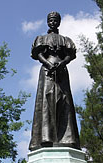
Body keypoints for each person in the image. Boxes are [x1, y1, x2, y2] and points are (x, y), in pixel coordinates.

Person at [29, 11, 80, 151]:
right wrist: (48, 64)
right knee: (46, 102)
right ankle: (46, 138)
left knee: (64, 102)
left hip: (62, 71)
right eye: (50, 20)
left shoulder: (65, 40)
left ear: (59, 22)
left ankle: (67, 138)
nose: (53, 22)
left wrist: (62, 63)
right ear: (47, 22)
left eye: (55, 20)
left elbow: (70, 55)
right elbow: (38, 54)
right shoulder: (42, 38)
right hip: (47, 72)